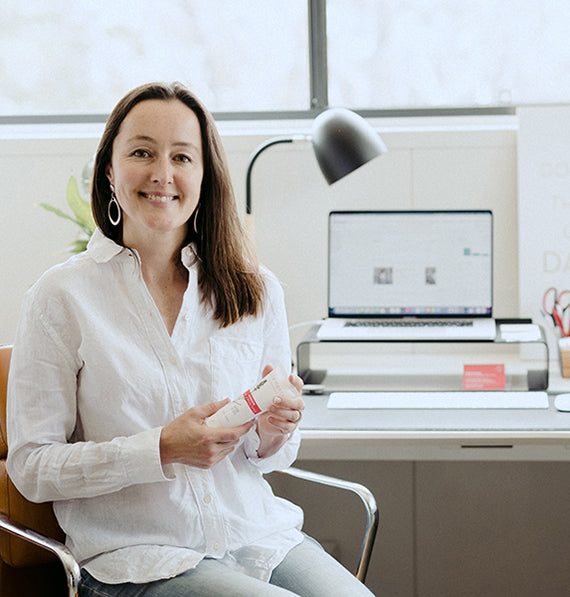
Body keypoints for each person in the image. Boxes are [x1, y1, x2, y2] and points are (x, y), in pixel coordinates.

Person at [7, 82, 374, 597]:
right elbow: (31, 466)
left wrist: (273, 429)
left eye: (183, 156)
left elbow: (269, 456)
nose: (163, 173)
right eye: (141, 152)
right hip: (139, 559)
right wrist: (160, 448)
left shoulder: (256, 289)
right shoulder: (61, 297)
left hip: (257, 537)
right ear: (109, 170)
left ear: (205, 176)